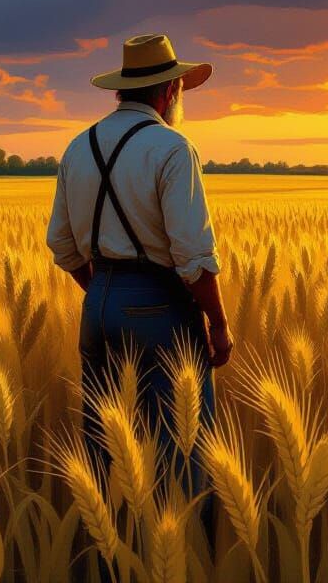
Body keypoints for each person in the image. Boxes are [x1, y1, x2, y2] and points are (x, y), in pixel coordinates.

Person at [45, 32, 233, 522]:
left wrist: (103, 290)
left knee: (103, 452)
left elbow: (61, 244)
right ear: (169, 92)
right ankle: (184, 549)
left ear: (121, 90)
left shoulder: (78, 147)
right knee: (183, 455)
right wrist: (218, 324)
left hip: (97, 304)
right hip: (160, 306)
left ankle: (111, 551)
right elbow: (193, 257)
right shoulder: (173, 148)